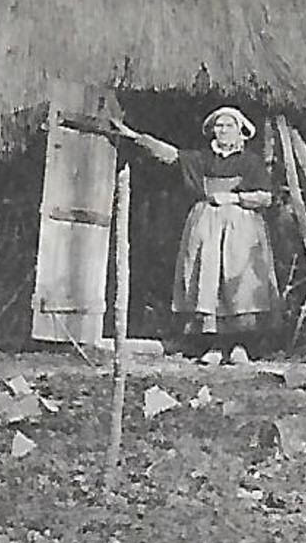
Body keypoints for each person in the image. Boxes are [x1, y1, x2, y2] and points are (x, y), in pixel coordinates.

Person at [115, 106, 279, 364]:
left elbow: (266, 197)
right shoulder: (202, 159)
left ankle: (240, 345)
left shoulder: (251, 162)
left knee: (240, 283)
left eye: (229, 126)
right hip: (207, 226)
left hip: (241, 228)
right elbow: (171, 155)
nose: (223, 131)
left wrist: (234, 197)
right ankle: (213, 345)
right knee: (207, 279)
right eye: (219, 126)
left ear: (241, 132)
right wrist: (138, 137)